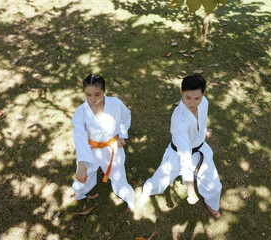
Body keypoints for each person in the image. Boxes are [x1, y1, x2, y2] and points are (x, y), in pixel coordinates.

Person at [140, 74, 222, 217]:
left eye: (197, 98)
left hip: (200, 149)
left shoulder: (204, 103)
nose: (192, 103)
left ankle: (211, 202)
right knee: (158, 183)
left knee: (214, 185)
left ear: (203, 94)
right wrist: (190, 188)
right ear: (181, 93)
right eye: (188, 97)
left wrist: (201, 133)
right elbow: (184, 155)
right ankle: (146, 192)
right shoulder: (179, 120)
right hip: (178, 154)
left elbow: (200, 121)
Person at [72, 74, 135, 210]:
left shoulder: (115, 104)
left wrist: (122, 136)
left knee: (119, 175)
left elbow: (126, 117)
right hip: (90, 149)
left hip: (111, 147)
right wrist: (82, 164)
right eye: (88, 95)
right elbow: (79, 138)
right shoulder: (81, 112)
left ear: (104, 91)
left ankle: (128, 197)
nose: (93, 99)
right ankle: (80, 192)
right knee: (84, 176)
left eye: (97, 94)